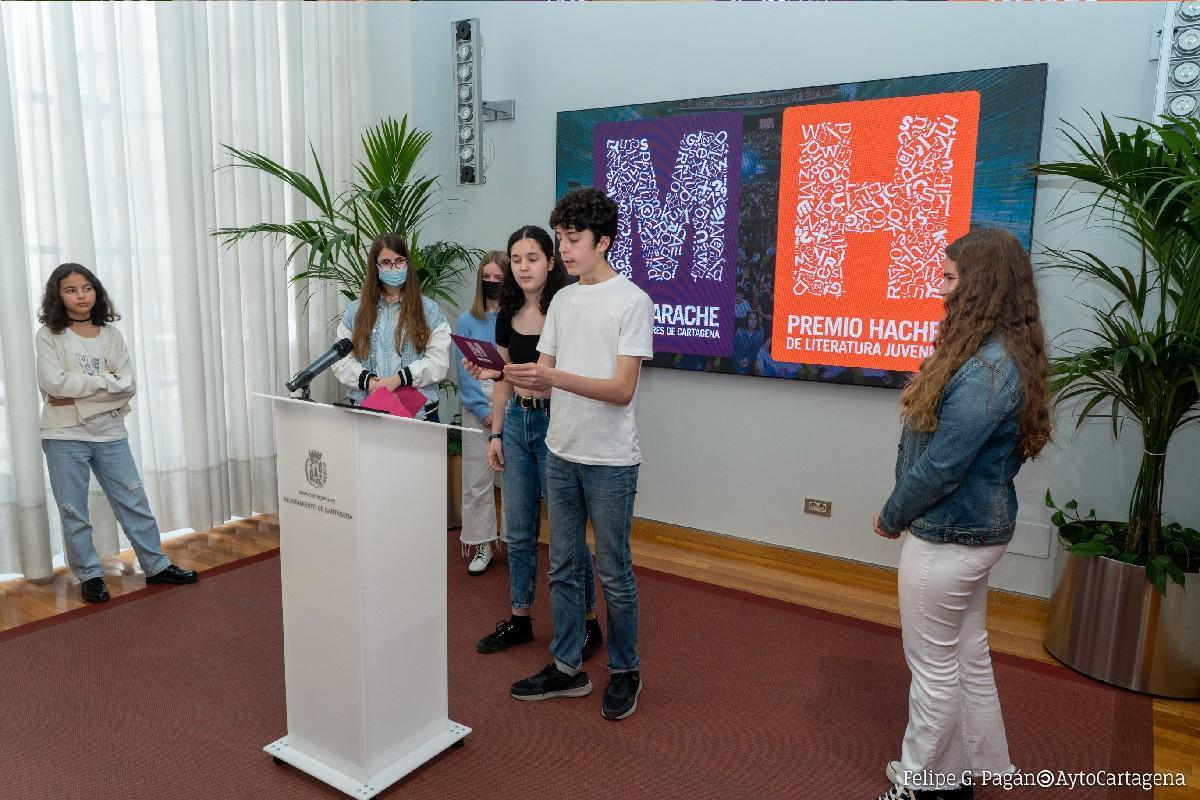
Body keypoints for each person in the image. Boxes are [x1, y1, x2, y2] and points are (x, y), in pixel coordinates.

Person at [871, 228, 1051, 800]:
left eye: (950, 279)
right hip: (969, 533)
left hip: (950, 537)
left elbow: (944, 466)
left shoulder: (988, 370)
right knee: (966, 652)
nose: (941, 290)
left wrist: (892, 513)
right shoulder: (995, 357)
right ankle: (966, 773)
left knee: (933, 669)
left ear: (983, 286)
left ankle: (923, 784)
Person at [506, 189, 654, 721]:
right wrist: (508, 373)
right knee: (564, 566)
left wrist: (551, 376)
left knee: (613, 571)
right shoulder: (564, 301)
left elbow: (621, 390)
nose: (563, 250)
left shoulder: (632, 301)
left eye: (573, 241)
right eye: (561, 240)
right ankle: (567, 667)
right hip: (560, 450)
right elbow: (542, 375)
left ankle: (625, 670)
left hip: (611, 459)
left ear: (603, 242)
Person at [463, 226, 603, 660]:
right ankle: (520, 617)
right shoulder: (505, 312)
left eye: (533, 258)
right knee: (519, 531)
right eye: (516, 259)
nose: (523, 267)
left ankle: (589, 623)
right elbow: (505, 381)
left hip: (557, 425)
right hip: (518, 424)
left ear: (550, 262)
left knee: (567, 537)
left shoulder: (565, 308)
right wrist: (497, 432)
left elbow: (555, 376)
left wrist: (501, 372)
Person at [35, 263, 199, 604]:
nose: (81, 295)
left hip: (110, 432)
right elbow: (54, 384)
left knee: (133, 501)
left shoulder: (111, 334)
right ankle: (90, 575)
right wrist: (105, 385)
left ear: (96, 291)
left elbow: (128, 386)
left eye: (87, 288)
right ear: (58, 295)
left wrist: (79, 394)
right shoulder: (48, 335)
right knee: (73, 509)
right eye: (71, 290)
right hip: (63, 434)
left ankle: (156, 566)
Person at [331, 233, 450, 422]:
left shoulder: (429, 310)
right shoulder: (355, 311)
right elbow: (340, 361)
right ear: (376, 268)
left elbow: (439, 363)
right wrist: (369, 381)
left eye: (399, 261)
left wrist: (399, 379)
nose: (394, 268)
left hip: (419, 414)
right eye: (386, 262)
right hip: (369, 409)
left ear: (407, 264)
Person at [455, 251, 507, 575]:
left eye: (497, 279)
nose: (490, 283)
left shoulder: (515, 318)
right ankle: (482, 545)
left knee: (515, 483)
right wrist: (483, 410)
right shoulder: (466, 320)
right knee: (476, 482)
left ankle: (514, 543)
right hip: (477, 408)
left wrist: (499, 412)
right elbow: (464, 372)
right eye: (485, 278)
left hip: (509, 403)